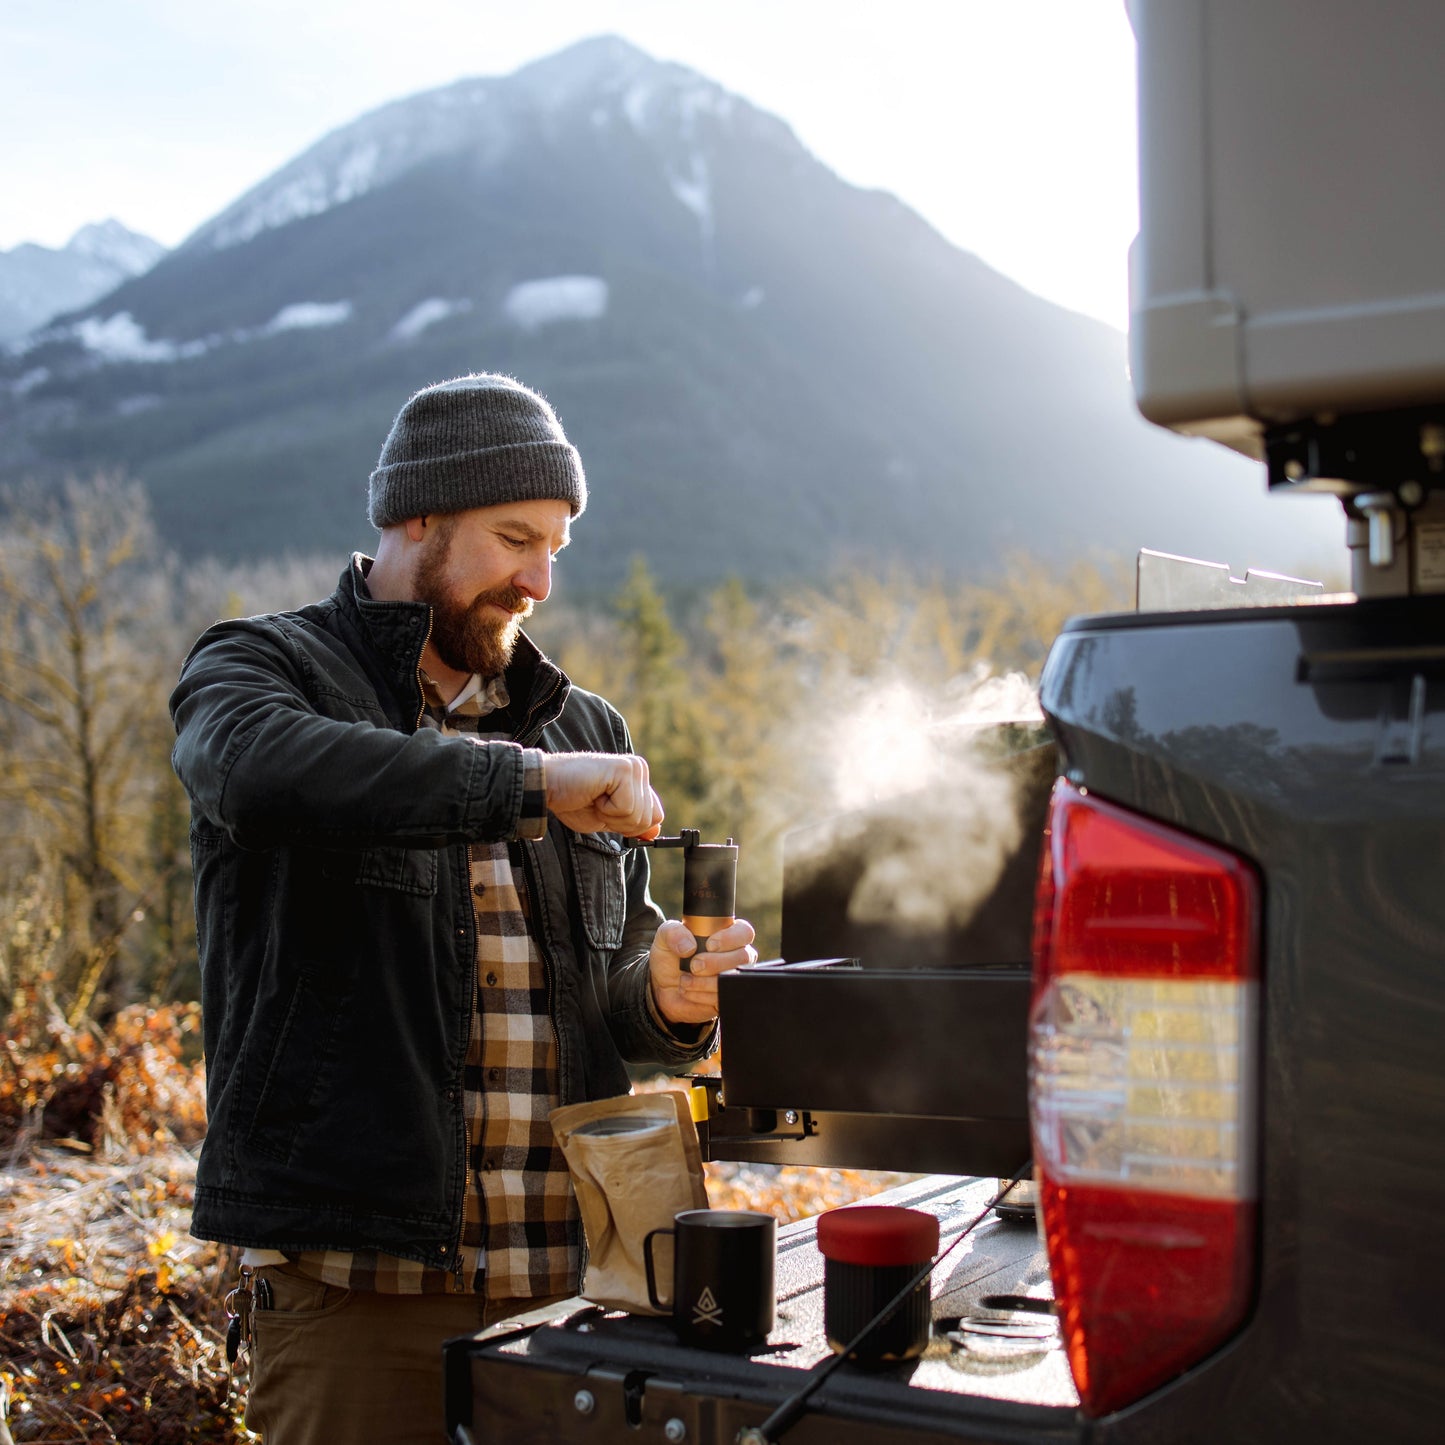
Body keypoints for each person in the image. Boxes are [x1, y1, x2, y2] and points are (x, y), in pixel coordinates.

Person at [169, 373, 757, 1445]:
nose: (538, 577)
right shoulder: (264, 669)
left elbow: (606, 978)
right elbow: (255, 773)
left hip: (574, 1288)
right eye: (513, 537)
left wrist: (662, 992)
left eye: (555, 550)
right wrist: (528, 783)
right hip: (356, 1297)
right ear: (417, 516)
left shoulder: (577, 719)